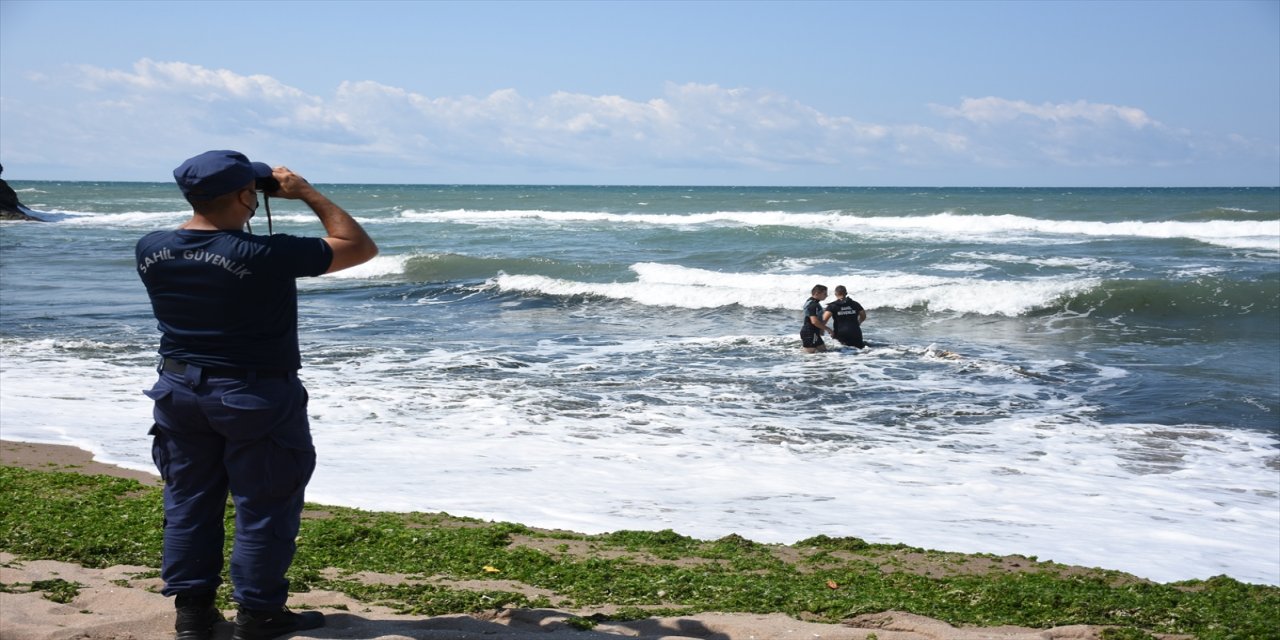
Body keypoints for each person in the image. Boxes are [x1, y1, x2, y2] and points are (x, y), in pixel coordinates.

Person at [136, 150, 377, 640]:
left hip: (178, 390)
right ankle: (260, 614)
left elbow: (211, 244)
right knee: (263, 505)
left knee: (188, 500)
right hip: (253, 394)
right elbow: (358, 245)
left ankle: (193, 614)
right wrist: (305, 191)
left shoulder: (151, 247)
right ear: (247, 196)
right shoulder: (263, 255)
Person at [800, 284, 832, 353]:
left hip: (813, 332)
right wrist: (828, 329)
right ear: (817, 293)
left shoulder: (811, 301)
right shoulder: (813, 305)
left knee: (824, 352)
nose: (826, 295)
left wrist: (820, 329)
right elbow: (814, 321)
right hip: (810, 332)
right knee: (809, 357)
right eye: (825, 294)